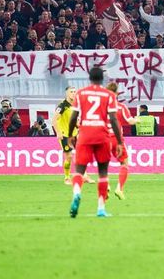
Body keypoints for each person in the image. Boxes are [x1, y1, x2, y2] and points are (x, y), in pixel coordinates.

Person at [67, 67, 123, 218]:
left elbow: (73, 117)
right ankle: (100, 208)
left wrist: (70, 135)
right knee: (103, 172)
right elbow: (113, 119)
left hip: (85, 134)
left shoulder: (81, 93)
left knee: (79, 170)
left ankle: (77, 193)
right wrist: (119, 142)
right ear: (102, 79)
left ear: (90, 78)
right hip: (102, 135)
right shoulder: (109, 95)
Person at [52, 87, 94, 185]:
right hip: (64, 135)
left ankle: (85, 176)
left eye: (75, 92)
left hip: (75, 134)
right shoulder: (62, 106)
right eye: (71, 92)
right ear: (67, 93)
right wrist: (58, 132)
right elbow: (54, 120)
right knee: (69, 157)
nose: (73, 93)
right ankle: (67, 178)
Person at [106, 83, 138, 200]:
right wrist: (136, 120)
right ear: (116, 94)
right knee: (124, 163)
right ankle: (119, 188)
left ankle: (106, 185)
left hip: (103, 139)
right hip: (116, 139)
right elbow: (130, 121)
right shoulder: (120, 107)